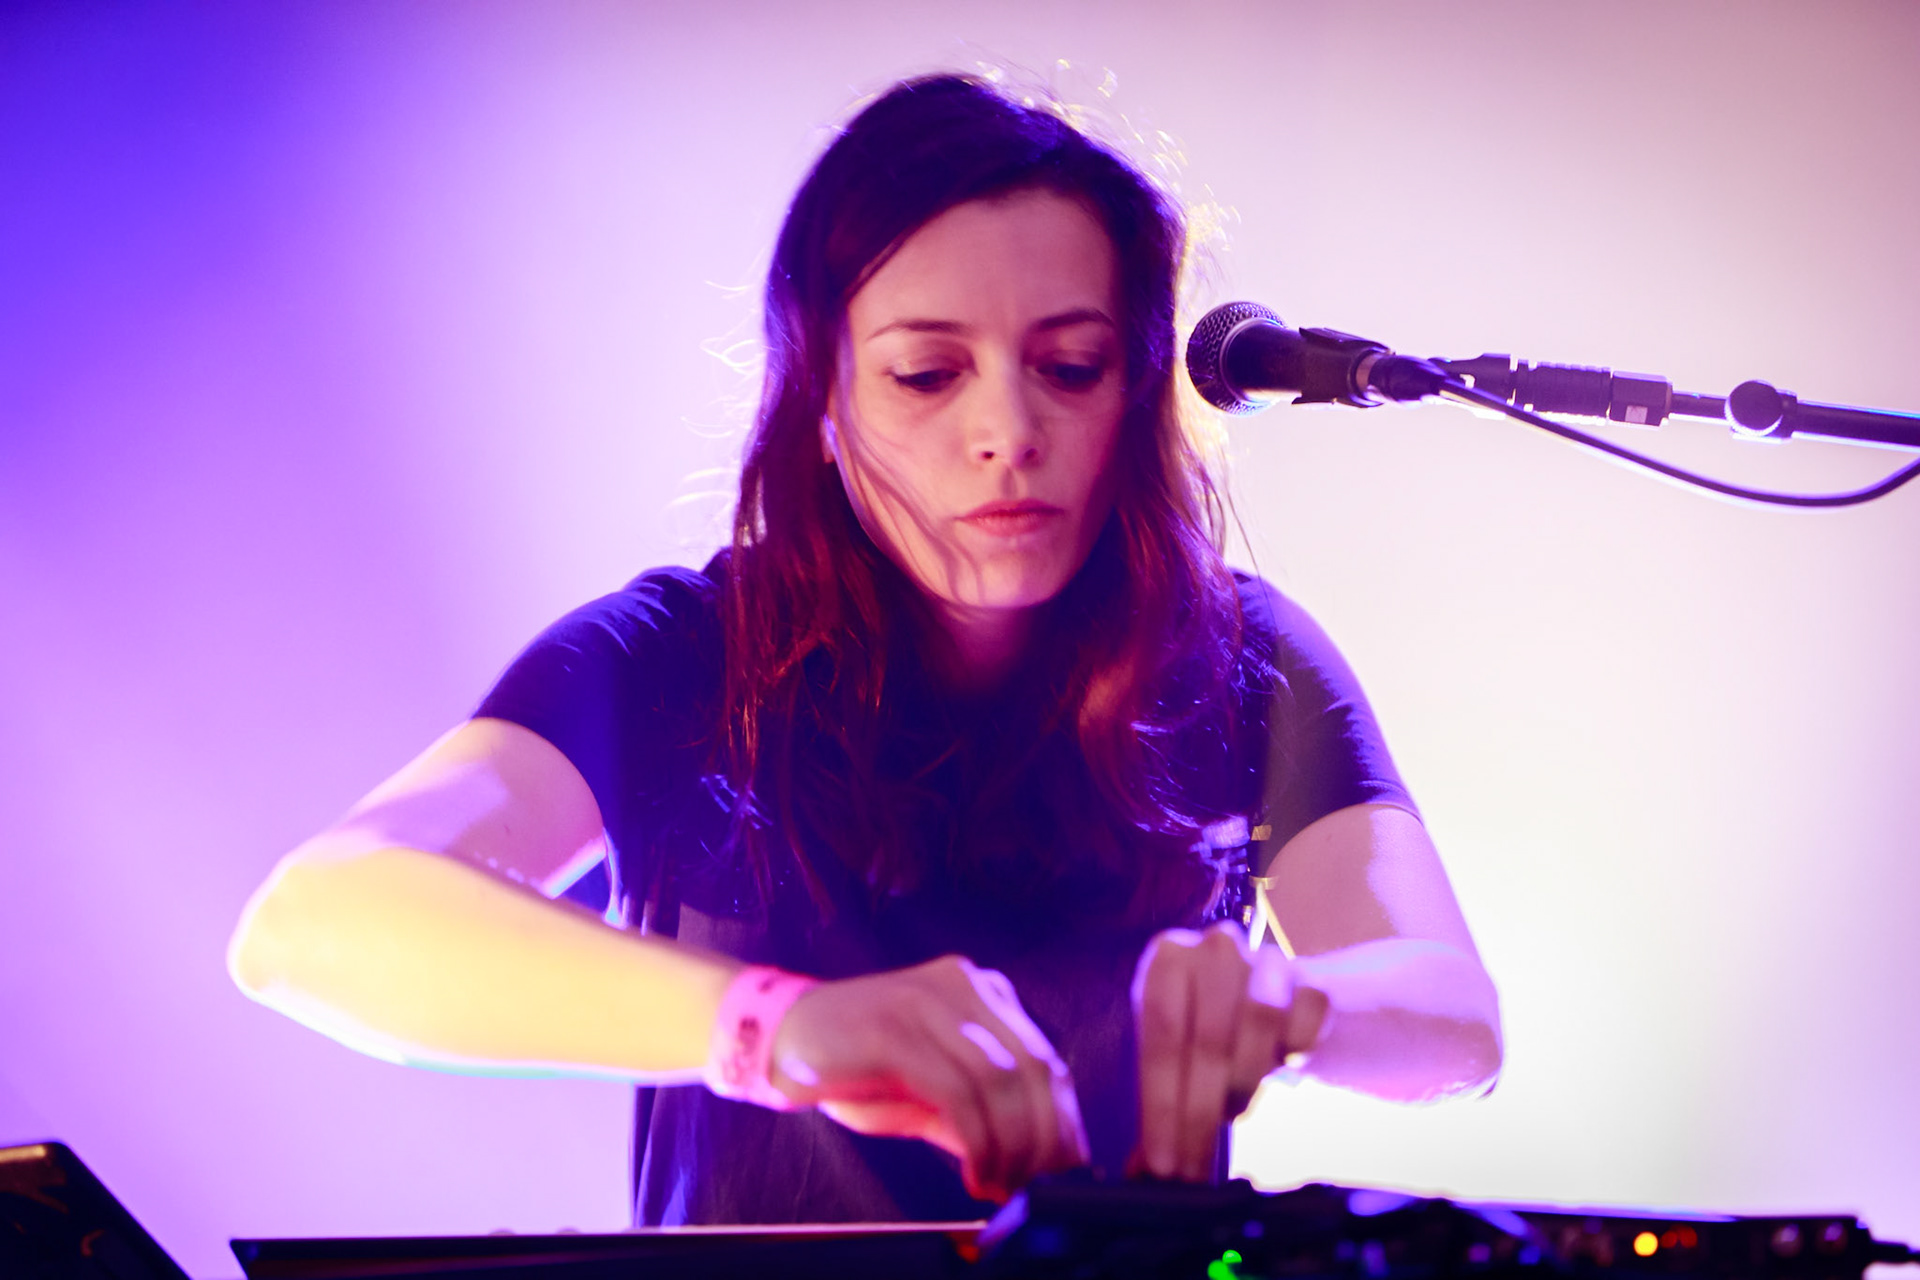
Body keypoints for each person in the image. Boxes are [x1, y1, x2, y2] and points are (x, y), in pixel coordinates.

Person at [227, 73, 1502, 1227]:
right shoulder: (685, 650)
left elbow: (1453, 1013)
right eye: (926, 375)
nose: (1008, 428)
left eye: (1071, 364)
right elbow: (313, 922)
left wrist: (1295, 1006)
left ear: (1136, 391)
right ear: (824, 404)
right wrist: (777, 1026)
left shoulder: (1236, 652)